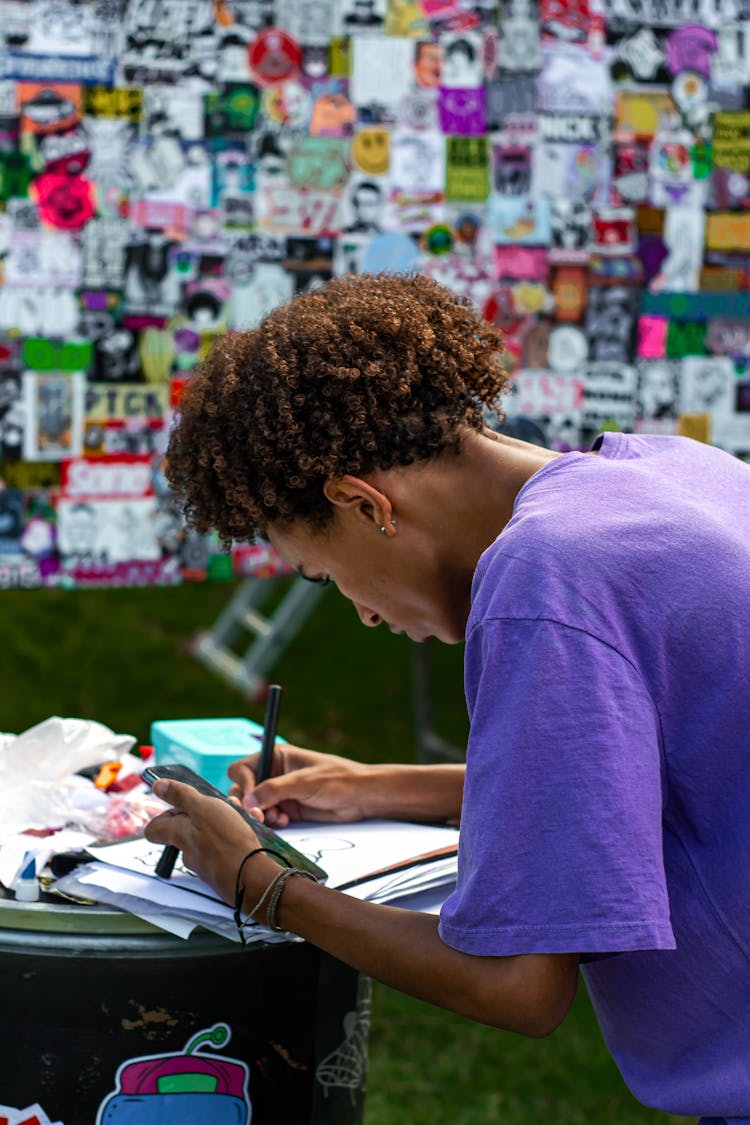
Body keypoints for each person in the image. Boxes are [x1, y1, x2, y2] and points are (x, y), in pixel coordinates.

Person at [146, 273, 750, 1124]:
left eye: (326, 574)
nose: (359, 611)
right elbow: (671, 780)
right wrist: (380, 785)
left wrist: (259, 883)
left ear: (363, 502)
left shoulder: (546, 577)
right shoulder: (675, 472)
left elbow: (516, 984)